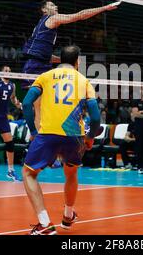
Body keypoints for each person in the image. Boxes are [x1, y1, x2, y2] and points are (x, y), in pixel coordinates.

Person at [22, 45, 100, 235]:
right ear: (77, 62)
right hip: (75, 136)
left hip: (48, 133)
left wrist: (33, 130)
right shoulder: (84, 81)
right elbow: (96, 118)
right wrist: (89, 138)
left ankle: (45, 223)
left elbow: (25, 103)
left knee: (29, 173)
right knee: (71, 174)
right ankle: (67, 215)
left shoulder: (45, 77)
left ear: (59, 60)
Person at [21, 0, 119, 134]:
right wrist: (104, 8)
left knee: (53, 103)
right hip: (35, 67)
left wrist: (68, 60)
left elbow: (45, 56)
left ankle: (77, 126)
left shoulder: (41, 27)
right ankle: (39, 138)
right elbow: (79, 15)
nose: (56, 6)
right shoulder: (51, 18)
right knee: (39, 107)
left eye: (55, 4)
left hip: (41, 65)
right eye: (51, 5)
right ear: (44, 10)